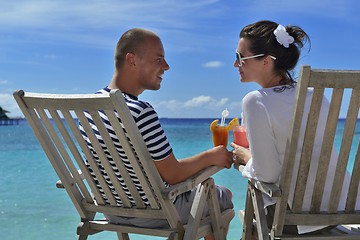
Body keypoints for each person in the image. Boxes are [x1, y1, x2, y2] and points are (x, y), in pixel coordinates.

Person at [80, 28, 234, 239]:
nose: (167, 67)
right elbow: (173, 174)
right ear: (132, 60)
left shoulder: (88, 109)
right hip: (157, 213)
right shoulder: (139, 111)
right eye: (159, 59)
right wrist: (212, 156)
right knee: (223, 198)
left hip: (110, 211)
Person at [231, 20, 355, 234]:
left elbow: (267, 175)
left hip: (293, 219)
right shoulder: (316, 95)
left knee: (254, 213)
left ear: (266, 62)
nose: (235, 64)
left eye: (240, 58)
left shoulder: (255, 101)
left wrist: (246, 158)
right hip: (339, 206)